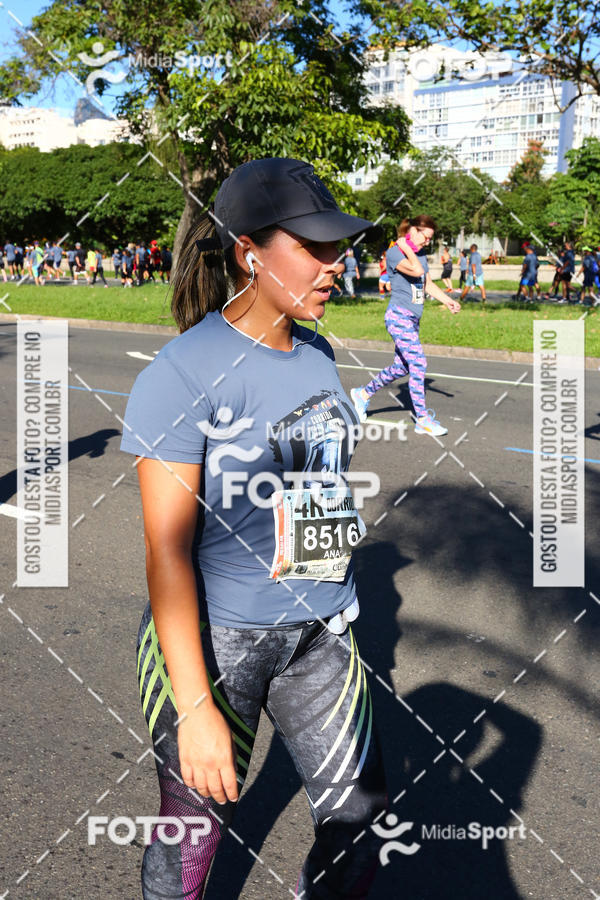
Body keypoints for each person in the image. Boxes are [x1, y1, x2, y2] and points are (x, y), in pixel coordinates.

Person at [120, 157, 388, 900]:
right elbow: (165, 554)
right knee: (192, 831)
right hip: (218, 641)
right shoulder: (180, 373)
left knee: (362, 816)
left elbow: (316, 488)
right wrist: (196, 706)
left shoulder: (319, 354)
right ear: (249, 252)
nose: (335, 266)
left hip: (320, 633)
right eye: (314, 248)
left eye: (339, 248)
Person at [350, 215, 461, 437]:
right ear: (412, 230)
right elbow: (417, 271)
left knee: (401, 367)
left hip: (412, 319)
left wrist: (447, 300)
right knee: (419, 362)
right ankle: (422, 419)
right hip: (398, 317)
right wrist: (404, 246)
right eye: (425, 237)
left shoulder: (419, 254)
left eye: (430, 238)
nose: (427, 242)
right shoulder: (394, 253)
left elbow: (426, 283)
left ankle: (362, 394)